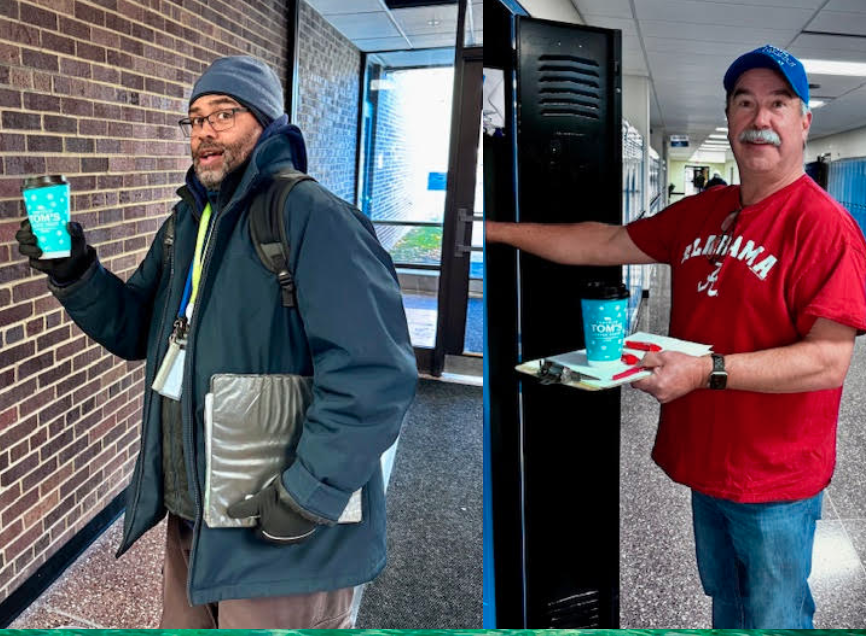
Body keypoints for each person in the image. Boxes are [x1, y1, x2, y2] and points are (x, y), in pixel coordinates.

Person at [16, 56, 418, 628]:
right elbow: (136, 330)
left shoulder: (312, 216)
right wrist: (74, 268)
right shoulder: (185, 224)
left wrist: (308, 493)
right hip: (195, 516)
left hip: (282, 532)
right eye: (195, 119)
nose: (204, 132)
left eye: (223, 114)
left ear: (264, 120)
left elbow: (375, 372)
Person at [486, 44, 866, 628]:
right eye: (745, 103)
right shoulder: (704, 212)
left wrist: (707, 371)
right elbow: (604, 242)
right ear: (731, 118)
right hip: (709, 461)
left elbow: (827, 362)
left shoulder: (825, 228)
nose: (760, 119)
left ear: (803, 121)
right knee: (727, 600)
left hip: (775, 476)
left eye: (778, 103)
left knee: (776, 613)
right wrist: (494, 230)